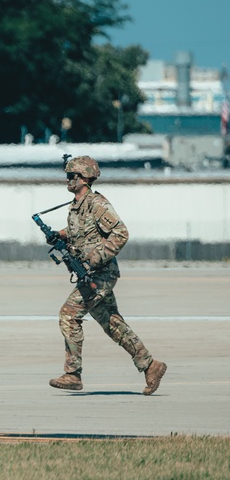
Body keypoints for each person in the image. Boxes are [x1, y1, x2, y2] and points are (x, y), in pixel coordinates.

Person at [47, 155, 166, 395]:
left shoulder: (97, 204)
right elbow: (79, 233)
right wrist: (60, 235)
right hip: (90, 274)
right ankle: (151, 365)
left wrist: (94, 257)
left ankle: (73, 374)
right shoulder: (76, 206)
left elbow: (120, 233)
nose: (68, 180)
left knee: (68, 316)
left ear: (85, 178)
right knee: (112, 323)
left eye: (73, 176)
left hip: (100, 274)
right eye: (68, 175)